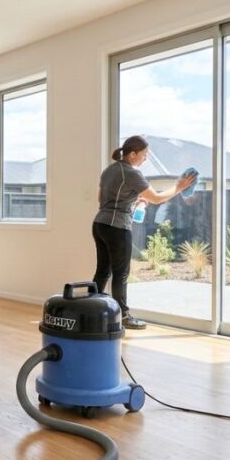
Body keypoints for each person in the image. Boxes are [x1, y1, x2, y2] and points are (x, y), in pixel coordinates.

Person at [93, 135, 195, 330]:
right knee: (121, 274)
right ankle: (123, 317)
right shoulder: (131, 173)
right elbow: (156, 198)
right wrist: (179, 187)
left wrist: (135, 200)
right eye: (144, 155)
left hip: (99, 224)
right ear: (132, 154)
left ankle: (94, 312)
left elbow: (101, 198)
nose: (145, 159)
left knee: (103, 270)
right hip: (117, 226)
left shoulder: (109, 170)